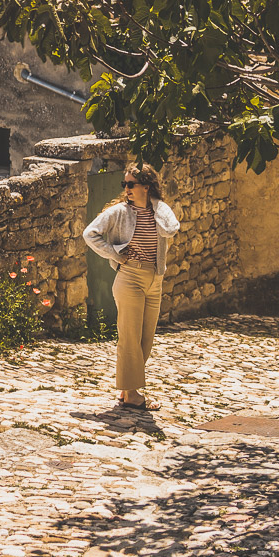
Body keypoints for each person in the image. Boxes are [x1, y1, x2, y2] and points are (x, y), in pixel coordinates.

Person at [82, 164, 179, 411]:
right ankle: (133, 394)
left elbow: (172, 228)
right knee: (129, 337)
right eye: (124, 185)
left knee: (145, 339)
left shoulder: (160, 209)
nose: (126, 189)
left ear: (146, 186)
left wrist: (157, 211)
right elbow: (89, 233)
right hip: (130, 277)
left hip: (154, 279)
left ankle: (127, 390)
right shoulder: (119, 212)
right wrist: (114, 253)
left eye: (131, 184)